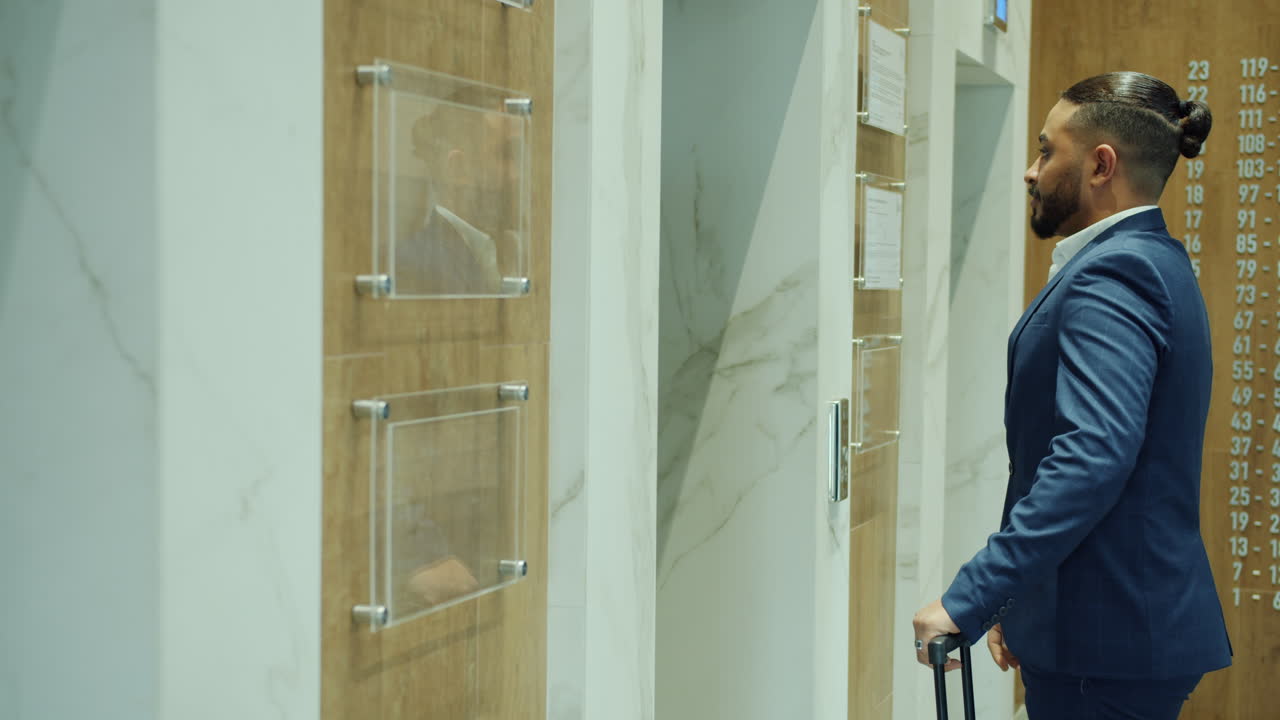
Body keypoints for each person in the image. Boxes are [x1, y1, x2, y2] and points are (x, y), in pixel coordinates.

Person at [912, 71, 1232, 719]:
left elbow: (1090, 458)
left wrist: (976, 594)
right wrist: (1019, 600)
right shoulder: (1151, 258)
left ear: (1100, 164)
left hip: (1106, 648)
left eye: (1045, 150)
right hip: (1104, 634)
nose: (1031, 171)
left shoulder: (1117, 272)